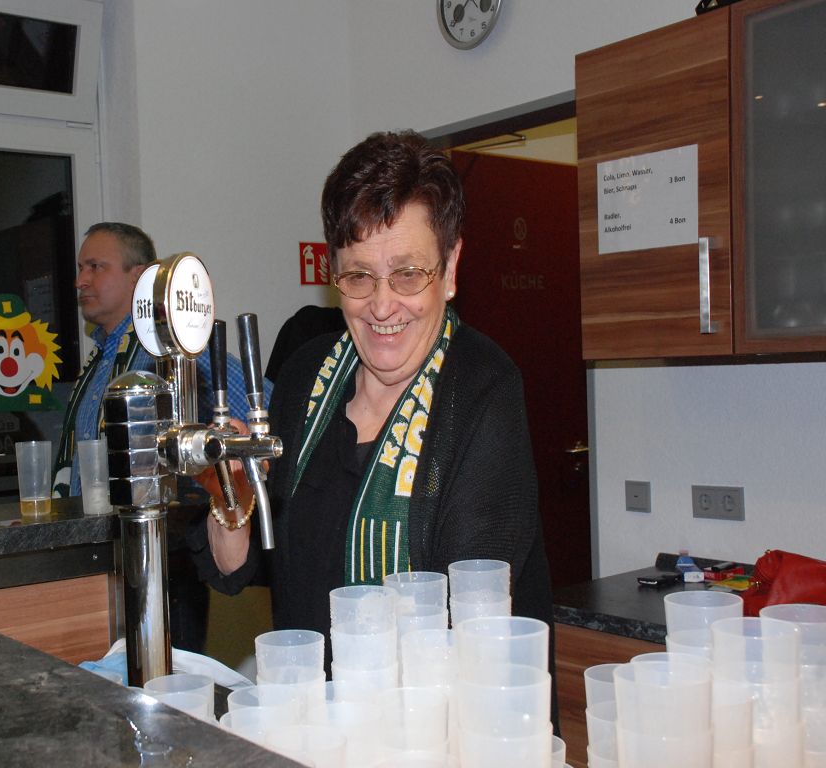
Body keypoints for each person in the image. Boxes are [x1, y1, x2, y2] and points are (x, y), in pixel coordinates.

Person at [191, 131, 554, 671]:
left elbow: (473, 616)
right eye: (359, 276)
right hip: (310, 706)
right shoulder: (306, 376)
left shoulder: (482, 388)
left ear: (451, 268)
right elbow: (243, 569)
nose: (382, 306)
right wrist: (233, 495)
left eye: (408, 274)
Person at [53, 221, 266, 651]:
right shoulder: (100, 361)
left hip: (165, 564)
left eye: (96, 266)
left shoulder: (178, 353)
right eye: (80, 268)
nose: (81, 280)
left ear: (140, 278)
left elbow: (258, 415)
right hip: (97, 564)